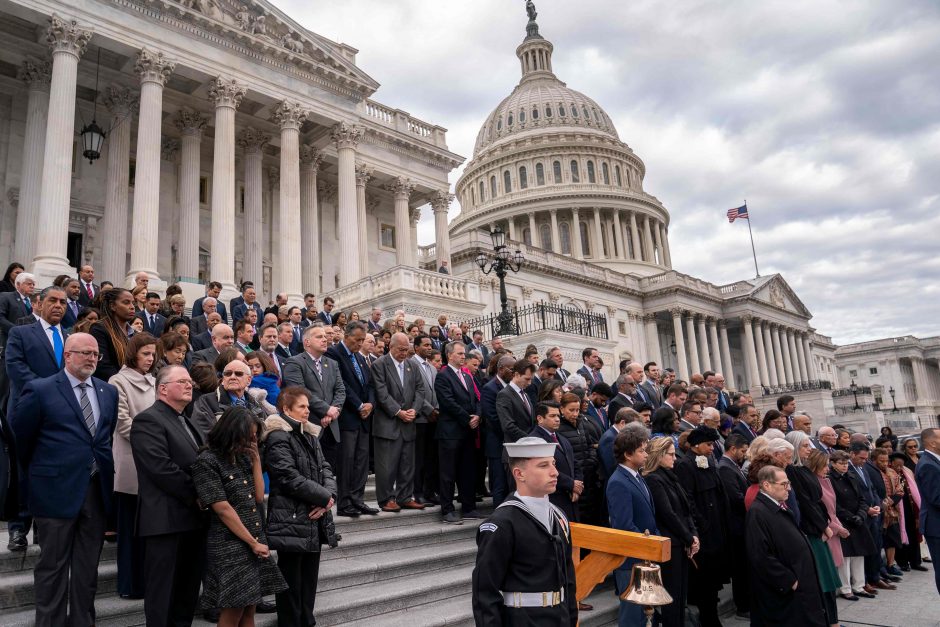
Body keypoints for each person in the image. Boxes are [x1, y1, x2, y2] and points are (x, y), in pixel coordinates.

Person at [11, 333, 117, 626]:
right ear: (67, 356)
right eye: (84, 352)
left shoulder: (107, 392)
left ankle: (83, 622)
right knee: (52, 567)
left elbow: (103, 439)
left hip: (95, 491)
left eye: (95, 354)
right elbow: (22, 437)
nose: (92, 358)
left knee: (87, 569)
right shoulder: (41, 389)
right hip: (54, 492)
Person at [192, 406, 287, 626]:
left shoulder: (242, 457)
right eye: (248, 436)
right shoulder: (207, 461)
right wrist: (253, 543)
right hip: (230, 545)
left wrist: (256, 462)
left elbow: (258, 496)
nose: (251, 441)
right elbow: (223, 508)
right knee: (233, 611)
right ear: (232, 432)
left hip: (253, 538)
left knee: (249, 609)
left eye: (254, 436)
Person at [471, 437, 577, 626]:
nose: (555, 472)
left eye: (553, 464)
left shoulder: (559, 516)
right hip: (522, 620)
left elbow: (568, 579)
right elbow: (484, 591)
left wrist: (570, 618)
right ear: (519, 474)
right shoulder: (502, 523)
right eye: (543, 466)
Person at [261, 386, 338, 627]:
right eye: (302, 407)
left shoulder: (309, 433)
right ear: (286, 409)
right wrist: (324, 498)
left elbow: (326, 468)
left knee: (309, 579)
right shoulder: (277, 436)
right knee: (291, 579)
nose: (307, 411)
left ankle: (307, 620)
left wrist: (328, 499)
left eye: (307, 406)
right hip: (291, 516)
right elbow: (287, 476)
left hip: (313, 514)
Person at [3, 286, 67, 550]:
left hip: (60, 415)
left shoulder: (72, 337)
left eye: (63, 302)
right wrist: (50, 392)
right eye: (52, 300)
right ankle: (18, 529)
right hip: (27, 411)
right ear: (38, 304)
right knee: (22, 470)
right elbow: (16, 368)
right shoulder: (20, 333)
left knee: (51, 471)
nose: (58, 306)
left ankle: (43, 527)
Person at [109, 333, 158, 600]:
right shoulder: (118, 381)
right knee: (129, 529)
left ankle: (144, 581)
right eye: (145, 354)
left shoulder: (153, 380)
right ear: (133, 354)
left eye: (153, 354)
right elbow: (123, 422)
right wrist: (154, 442)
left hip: (153, 463)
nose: (150, 359)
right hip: (131, 461)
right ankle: (129, 584)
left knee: (147, 530)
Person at [746, 465, 827, 626]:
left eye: (788, 483)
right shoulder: (758, 512)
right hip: (786, 592)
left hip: (799, 585)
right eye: (783, 484)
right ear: (767, 485)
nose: (788, 489)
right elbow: (760, 555)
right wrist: (788, 580)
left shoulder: (776, 506)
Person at [674, 426, 730, 627]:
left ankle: (711, 615)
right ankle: (709, 619)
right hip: (704, 532)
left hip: (717, 529)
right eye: (708, 444)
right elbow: (687, 500)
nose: (712, 448)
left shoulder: (708, 461)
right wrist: (701, 525)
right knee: (705, 580)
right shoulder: (685, 465)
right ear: (696, 445)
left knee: (713, 580)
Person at [785, 431, 842, 626]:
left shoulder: (804, 469)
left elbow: (817, 501)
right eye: (805, 446)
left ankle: (832, 620)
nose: (810, 449)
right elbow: (806, 503)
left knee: (827, 578)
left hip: (819, 527)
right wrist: (823, 527)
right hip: (812, 530)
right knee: (822, 579)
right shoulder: (792, 471)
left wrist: (825, 524)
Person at [644, 436, 698, 627]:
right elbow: (668, 513)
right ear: (659, 456)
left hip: (681, 541)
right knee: (672, 596)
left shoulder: (671, 477)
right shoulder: (653, 479)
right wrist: (688, 537)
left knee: (680, 596)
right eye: (671, 455)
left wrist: (693, 535)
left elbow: (685, 509)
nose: (675, 458)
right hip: (671, 544)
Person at [371, 332, 427, 512]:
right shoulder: (379, 364)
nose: (404, 353)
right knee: (386, 466)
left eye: (406, 349)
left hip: (409, 423)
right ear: (391, 347)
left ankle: (405, 496)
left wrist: (414, 410)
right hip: (388, 423)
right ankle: (386, 499)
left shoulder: (412, 365)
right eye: (401, 350)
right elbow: (381, 393)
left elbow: (420, 390)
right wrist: (398, 412)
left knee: (407, 464)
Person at [606, 424, 657, 626]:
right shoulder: (618, 482)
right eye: (642, 451)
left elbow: (650, 516)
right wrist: (649, 546)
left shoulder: (637, 476)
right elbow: (624, 525)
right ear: (628, 454)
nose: (646, 455)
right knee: (632, 617)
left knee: (644, 615)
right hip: (632, 561)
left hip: (645, 556)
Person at [326, 321, 377, 516]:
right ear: (346, 336)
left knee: (361, 463)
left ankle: (358, 499)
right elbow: (342, 385)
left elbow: (370, 384)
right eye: (357, 340)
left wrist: (370, 404)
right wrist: (359, 405)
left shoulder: (361, 358)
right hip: (348, 417)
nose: (360, 343)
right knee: (347, 462)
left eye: (363, 340)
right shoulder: (334, 354)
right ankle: (345, 502)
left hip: (364, 419)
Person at [283, 325, 346, 474]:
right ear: (306, 342)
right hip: (308, 425)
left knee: (329, 474)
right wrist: (326, 409)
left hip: (331, 427)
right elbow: (300, 392)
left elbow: (340, 390)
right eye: (319, 337)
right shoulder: (294, 362)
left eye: (325, 337)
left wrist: (333, 412)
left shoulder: (332, 363)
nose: (325, 339)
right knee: (310, 474)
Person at [435, 340, 482, 524]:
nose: (464, 357)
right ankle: (447, 510)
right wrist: (467, 418)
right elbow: (448, 402)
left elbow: (477, 399)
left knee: (467, 471)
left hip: (468, 432)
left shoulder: (468, 376)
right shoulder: (443, 375)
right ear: (450, 355)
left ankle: (469, 508)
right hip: (450, 432)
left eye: (464, 354)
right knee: (448, 473)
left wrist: (478, 415)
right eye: (461, 354)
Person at [716, 433, 751, 618]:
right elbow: (736, 498)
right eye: (743, 451)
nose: (744, 454)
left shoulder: (732, 466)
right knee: (740, 569)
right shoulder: (725, 468)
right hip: (736, 527)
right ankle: (743, 607)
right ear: (733, 448)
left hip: (741, 524)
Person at [191, 357, 267, 440]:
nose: (232, 377)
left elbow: (264, 436)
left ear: (249, 380)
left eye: (238, 374)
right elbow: (206, 435)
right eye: (228, 374)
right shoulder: (206, 401)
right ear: (223, 379)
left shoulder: (256, 405)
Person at [528, 401, 580, 523]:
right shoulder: (534, 440)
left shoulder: (562, 438)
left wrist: (577, 486)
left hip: (571, 497)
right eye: (552, 416)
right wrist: (571, 484)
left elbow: (575, 463)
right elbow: (544, 469)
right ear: (540, 418)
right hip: (553, 498)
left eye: (558, 416)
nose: (557, 419)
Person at [411, 333, 440, 506]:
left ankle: (430, 492)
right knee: (419, 459)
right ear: (416, 347)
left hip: (433, 419)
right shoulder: (411, 364)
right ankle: (418, 492)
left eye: (430, 345)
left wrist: (436, 410)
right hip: (420, 419)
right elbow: (414, 391)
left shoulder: (432, 368)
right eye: (426, 345)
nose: (429, 348)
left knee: (431, 458)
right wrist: (429, 410)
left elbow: (435, 391)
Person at [481, 355, 513, 507]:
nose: (514, 373)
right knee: (499, 483)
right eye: (511, 369)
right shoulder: (490, 388)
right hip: (497, 443)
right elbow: (492, 418)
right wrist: (510, 433)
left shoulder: (511, 387)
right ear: (501, 369)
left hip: (509, 443)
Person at [90, 287, 136, 382]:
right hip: (112, 385)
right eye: (126, 302)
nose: (132, 306)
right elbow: (102, 366)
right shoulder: (99, 328)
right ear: (112, 306)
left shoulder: (134, 333)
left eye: (133, 303)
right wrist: (126, 382)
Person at [890, 452, 926, 572]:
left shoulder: (907, 472)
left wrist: (917, 514)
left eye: (901, 465)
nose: (899, 468)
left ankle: (915, 561)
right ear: (892, 463)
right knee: (901, 536)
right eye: (897, 465)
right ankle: (903, 562)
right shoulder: (889, 474)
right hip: (898, 510)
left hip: (910, 509)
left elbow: (914, 493)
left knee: (913, 536)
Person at [914, 427, 940, 593]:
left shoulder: (934, 461)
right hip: (937, 527)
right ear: (932, 442)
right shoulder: (928, 465)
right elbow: (936, 498)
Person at [496, 359, 536, 444]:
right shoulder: (504, 395)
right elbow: (508, 426)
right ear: (517, 374)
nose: (529, 383)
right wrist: (529, 440)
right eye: (527, 379)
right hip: (515, 447)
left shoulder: (525, 394)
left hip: (529, 447)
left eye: (531, 379)